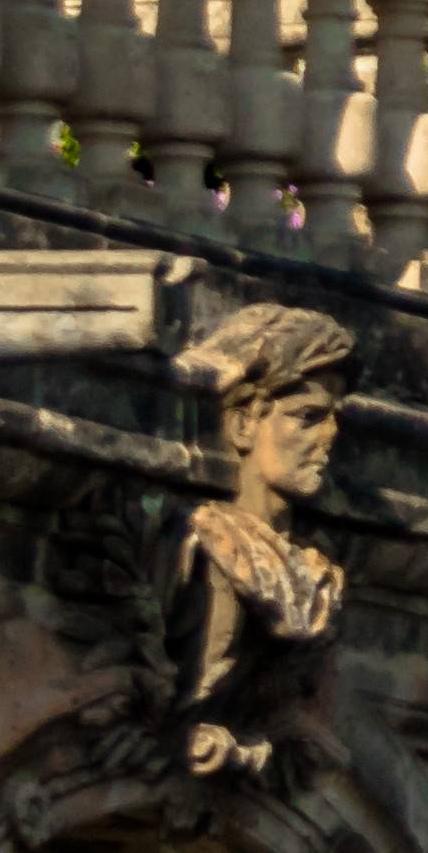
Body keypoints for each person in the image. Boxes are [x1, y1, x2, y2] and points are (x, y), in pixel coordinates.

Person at [171, 306, 354, 780]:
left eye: (334, 417)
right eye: (307, 416)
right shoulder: (210, 541)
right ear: (243, 426)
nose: (330, 436)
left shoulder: (320, 576)